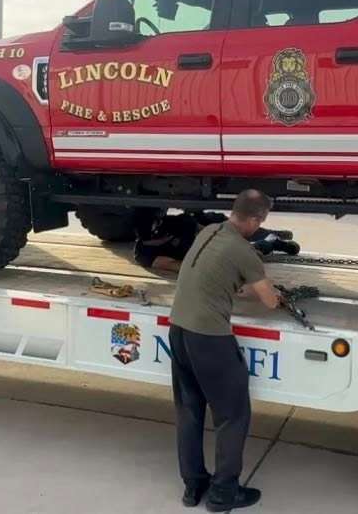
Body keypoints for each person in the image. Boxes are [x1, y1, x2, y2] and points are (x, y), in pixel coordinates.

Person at [166, 191, 282, 511]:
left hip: (178, 330)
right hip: (209, 338)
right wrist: (271, 290)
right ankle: (223, 494)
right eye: (261, 222)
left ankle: (193, 486)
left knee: (189, 410)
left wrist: (238, 286)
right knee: (232, 415)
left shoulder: (209, 231)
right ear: (256, 220)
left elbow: (215, 277)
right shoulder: (243, 250)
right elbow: (270, 301)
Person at [135, 211, 299, 272]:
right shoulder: (145, 254)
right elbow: (177, 266)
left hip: (207, 230)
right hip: (197, 253)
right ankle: (271, 242)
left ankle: (266, 234)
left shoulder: (175, 222)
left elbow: (205, 229)